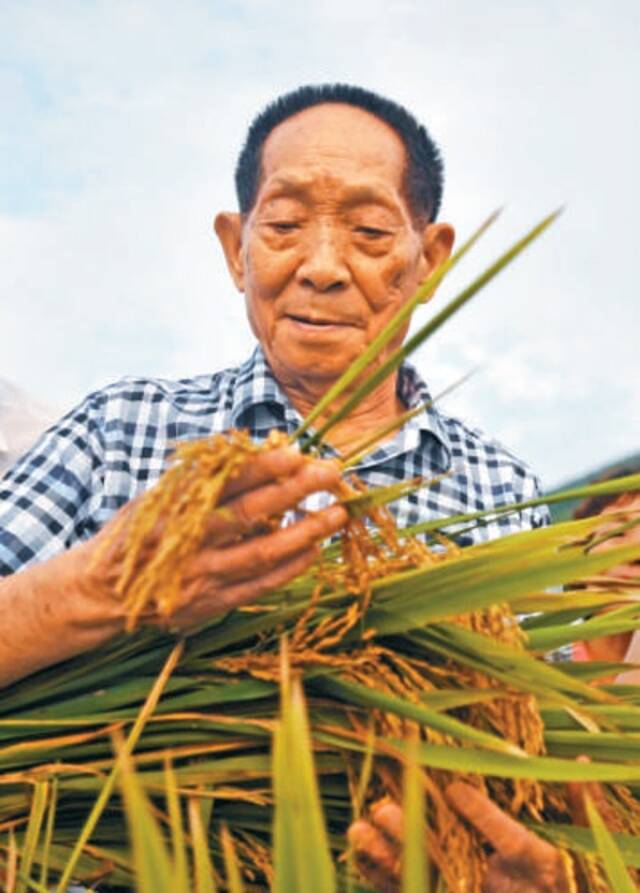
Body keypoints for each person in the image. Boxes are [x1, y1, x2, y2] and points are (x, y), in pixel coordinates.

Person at [1, 84, 556, 891]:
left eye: (368, 232)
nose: (322, 268)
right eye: (286, 226)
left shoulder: (503, 496)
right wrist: (101, 588)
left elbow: (550, 791)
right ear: (237, 248)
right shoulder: (121, 433)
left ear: (430, 259)